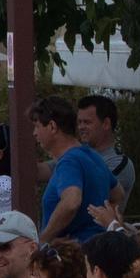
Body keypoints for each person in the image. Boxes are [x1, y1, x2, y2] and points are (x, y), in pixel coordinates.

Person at [31, 96, 115, 243]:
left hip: (75, 254)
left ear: (52, 126)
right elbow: (117, 193)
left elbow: (71, 202)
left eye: (37, 126)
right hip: (97, 246)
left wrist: (44, 240)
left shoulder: (68, 161)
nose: (34, 133)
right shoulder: (92, 156)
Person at [75, 94, 136, 207]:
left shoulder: (119, 162)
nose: (81, 127)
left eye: (87, 122)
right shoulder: (77, 153)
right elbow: (43, 171)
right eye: (79, 122)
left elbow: (90, 195)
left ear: (106, 124)